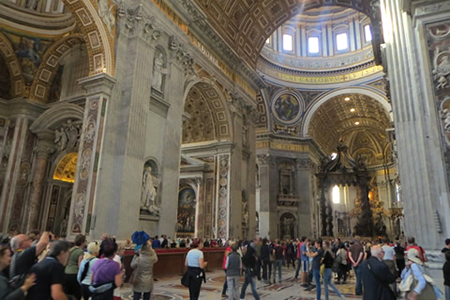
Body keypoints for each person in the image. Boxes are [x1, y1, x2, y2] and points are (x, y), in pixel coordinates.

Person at [64, 234, 86, 300]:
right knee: (76, 295)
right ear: (82, 242)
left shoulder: (70, 250)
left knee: (67, 294)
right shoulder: (80, 251)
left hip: (66, 272)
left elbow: (65, 262)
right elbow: (80, 265)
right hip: (74, 274)